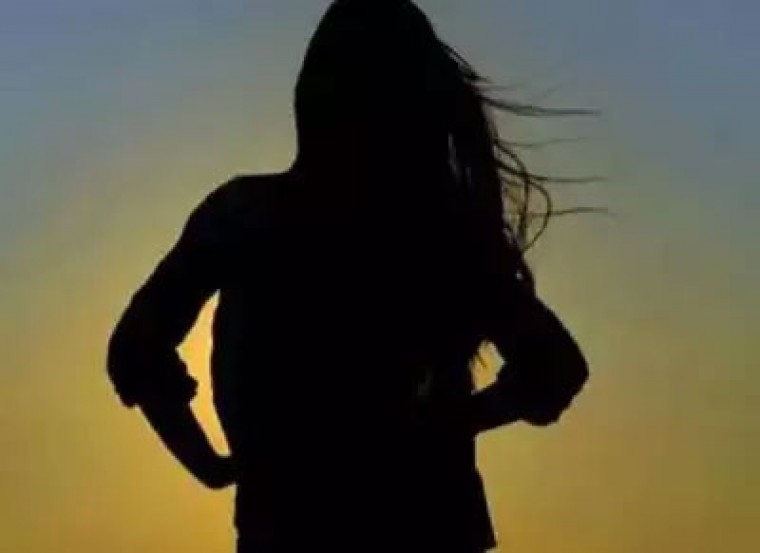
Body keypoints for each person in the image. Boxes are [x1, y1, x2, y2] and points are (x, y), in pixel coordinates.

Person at [106, 1, 589, 551]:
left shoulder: (244, 216)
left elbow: (136, 348)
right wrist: (451, 424)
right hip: (425, 522)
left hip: (290, 524)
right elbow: (555, 367)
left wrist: (211, 464)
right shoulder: (442, 233)